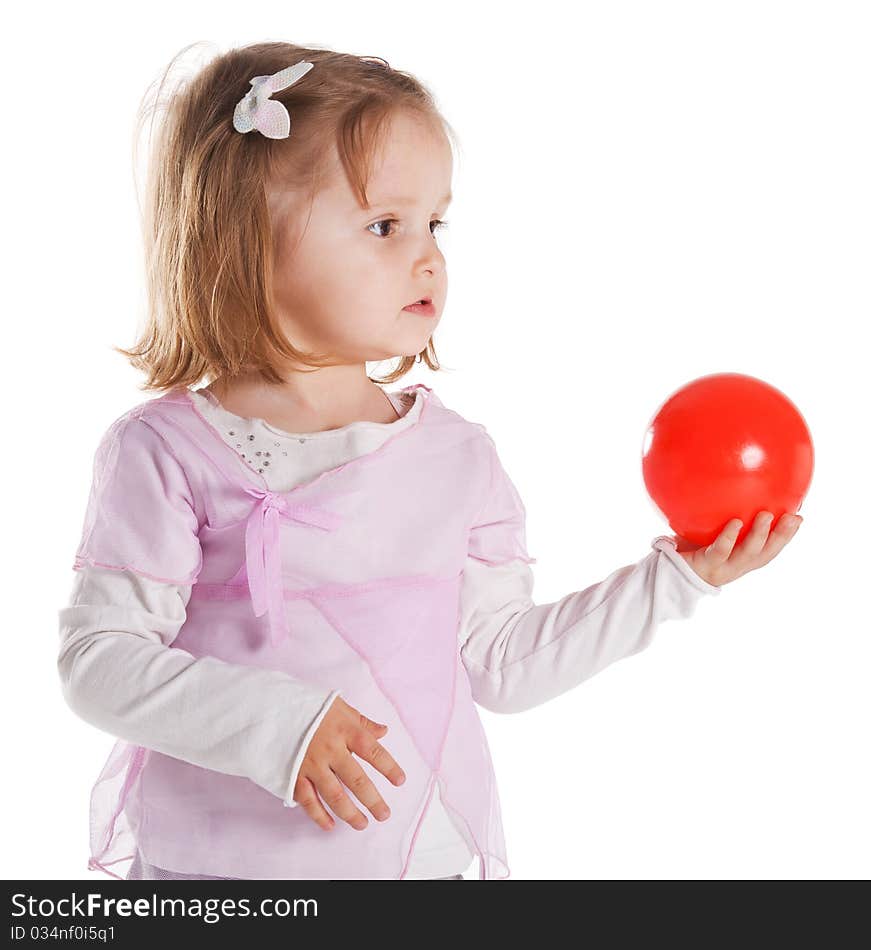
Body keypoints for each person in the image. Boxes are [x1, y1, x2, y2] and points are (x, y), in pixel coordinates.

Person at [57, 42, 803, 882]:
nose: (426, 258)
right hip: (216, 877)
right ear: (245, 240)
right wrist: (278, 724)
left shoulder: (457, 457)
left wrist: (677, 580)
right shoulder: (165, 452)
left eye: (433, 224)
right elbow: (99, 663)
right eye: (384, 225)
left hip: (417, 867)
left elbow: (502, 663)